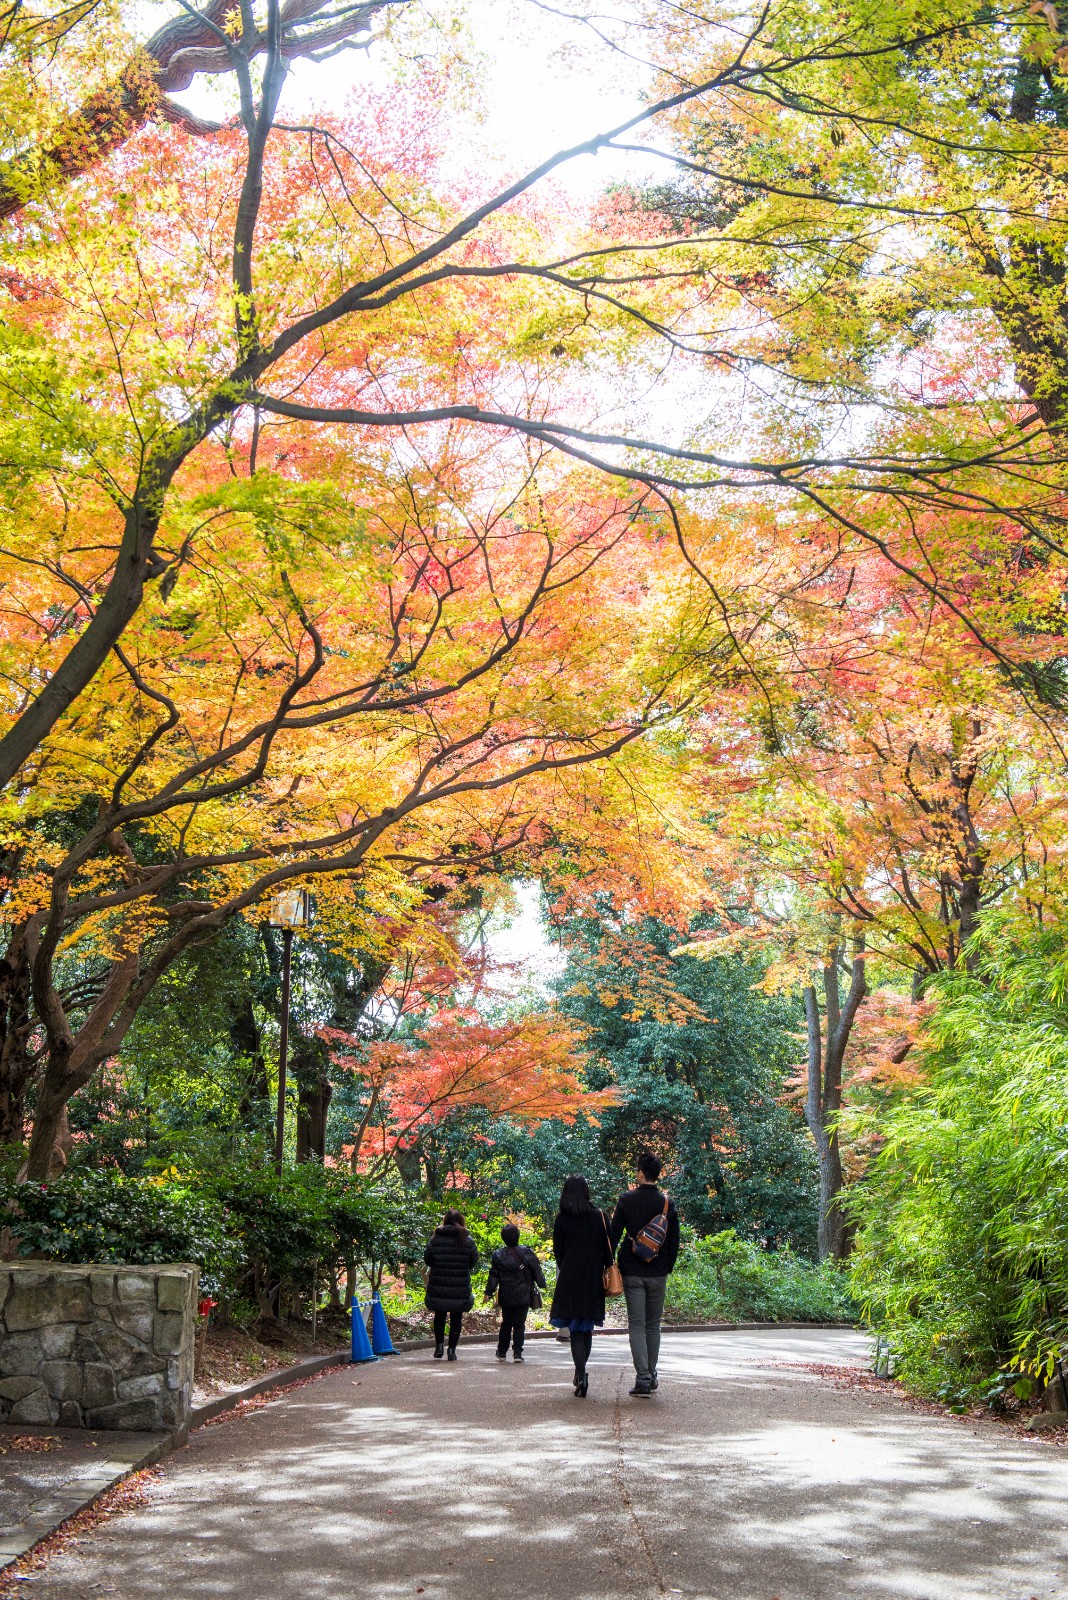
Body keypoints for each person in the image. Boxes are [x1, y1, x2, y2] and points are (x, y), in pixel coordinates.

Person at [609, 1150, 680, 1397]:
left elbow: (614, 1233)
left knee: (636, 1324)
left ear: (640, 1172)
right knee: (653, 1325)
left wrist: (608, 1263)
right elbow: (673, 1241)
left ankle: (643, 1378)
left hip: (632, 1270)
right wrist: (666, 1266)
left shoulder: (626, 1199)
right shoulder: (667, 1203)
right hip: (658, 1271)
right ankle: (652, 1374)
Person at [548, 1174, 613, 1398]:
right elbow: (608, 1250)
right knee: (587, 1329)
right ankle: (581, 1372)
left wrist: (567, 1266)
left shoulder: (562, 1219)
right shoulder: (599, 1217)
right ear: (586, 1193)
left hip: (570, 1278)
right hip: (592, 1278)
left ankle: (581, 1373)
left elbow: (558, 1253)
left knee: (576, 1329)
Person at [485, 1223, 546, 1362]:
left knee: (506, 1322)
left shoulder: (498, 1255)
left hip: (506, 1295)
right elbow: (537, 1270)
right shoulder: (526, 1252)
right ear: (518, 1236)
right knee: (519, 1323)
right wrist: (542, 1284)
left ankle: (501, 1351)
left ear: (503, 1238)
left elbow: (494, 1275)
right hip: (523, 1294)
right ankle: (517, 1353)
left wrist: (489, 1292)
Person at [423, 1207, 479, 1360]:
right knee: (456, 1317)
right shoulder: (468, 1240)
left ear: (445, 1221)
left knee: (439, 1315)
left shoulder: (435, 1239)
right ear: (461, 1221)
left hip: (439, 1282)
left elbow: (428, 1259)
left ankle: (439, 1346)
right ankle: (452, 1350)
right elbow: (473, 1261)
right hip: (459, 1284)